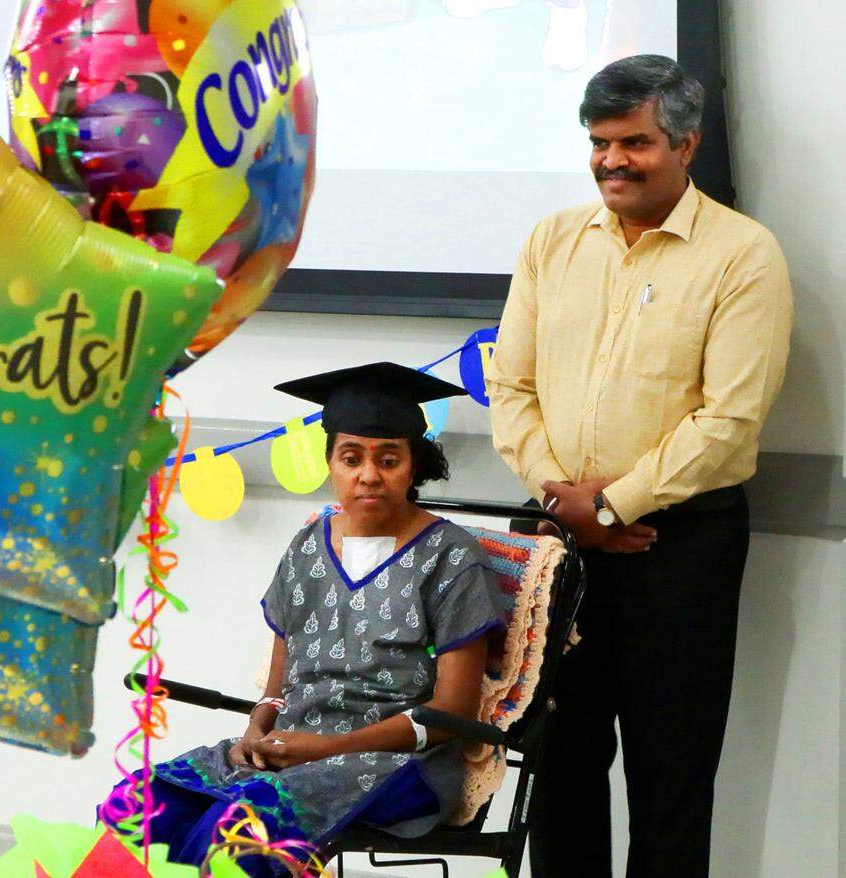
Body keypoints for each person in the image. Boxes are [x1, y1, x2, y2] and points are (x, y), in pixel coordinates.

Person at [486, 55, 792, 877]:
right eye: (599, 142)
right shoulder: (552, 241)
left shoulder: (743, 256)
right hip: (554, 547)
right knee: (556, 769)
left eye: (635, 143)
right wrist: (569, 508)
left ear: (686, 144)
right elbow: (509, 387)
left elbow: (729, 422)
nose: (612, 161)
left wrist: (612, 507)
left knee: (672, 777)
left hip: (678, 549)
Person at [101, 362, 505, 875]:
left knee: (239, 830)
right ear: (330, 461)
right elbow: (279, 681)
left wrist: (330, 747)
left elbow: (453, 713)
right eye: (351, 457)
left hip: (402, 764)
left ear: (414, 466)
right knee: (138, 806)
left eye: (389, 459)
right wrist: (257, 726)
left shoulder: (451, 556)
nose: (368, 475)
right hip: (294, 746)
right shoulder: (307, 545)